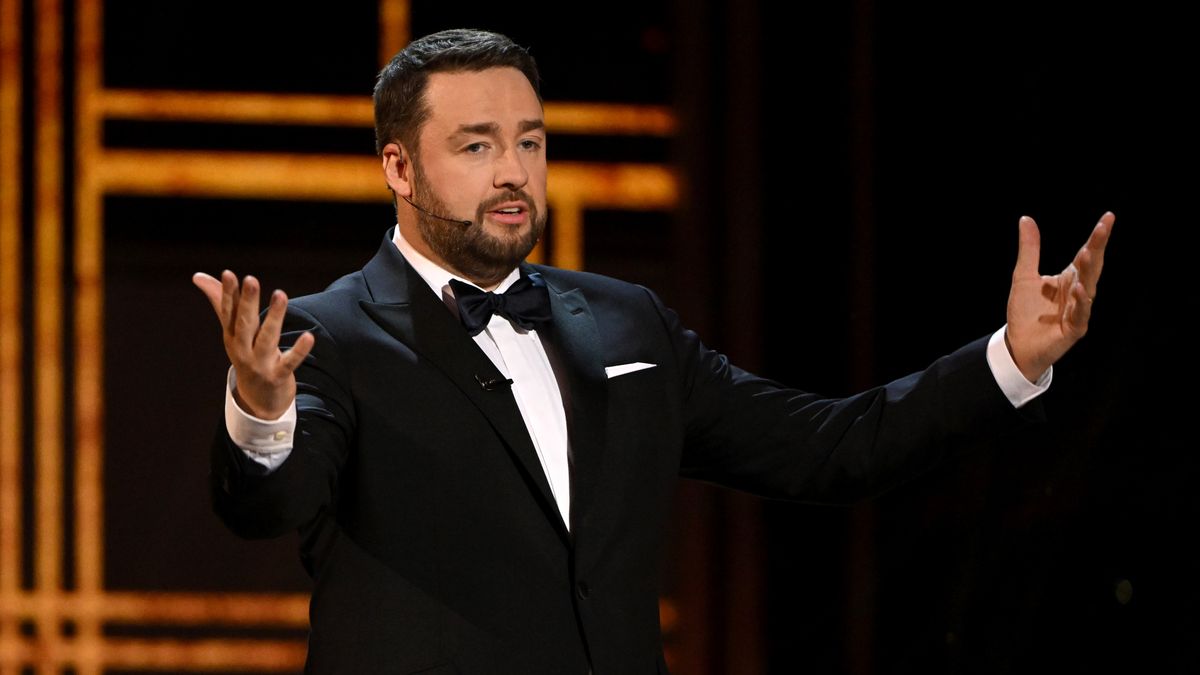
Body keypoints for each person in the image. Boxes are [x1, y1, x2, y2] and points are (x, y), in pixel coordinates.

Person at [193, 28, 1112, 675]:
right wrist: (262, 410)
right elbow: (267, 504)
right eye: (476, 146)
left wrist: (1010, 360)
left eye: (529, 141)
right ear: (398, 166)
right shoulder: (330, 336)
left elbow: (827, 448)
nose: (513, 172)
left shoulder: (626, 321)